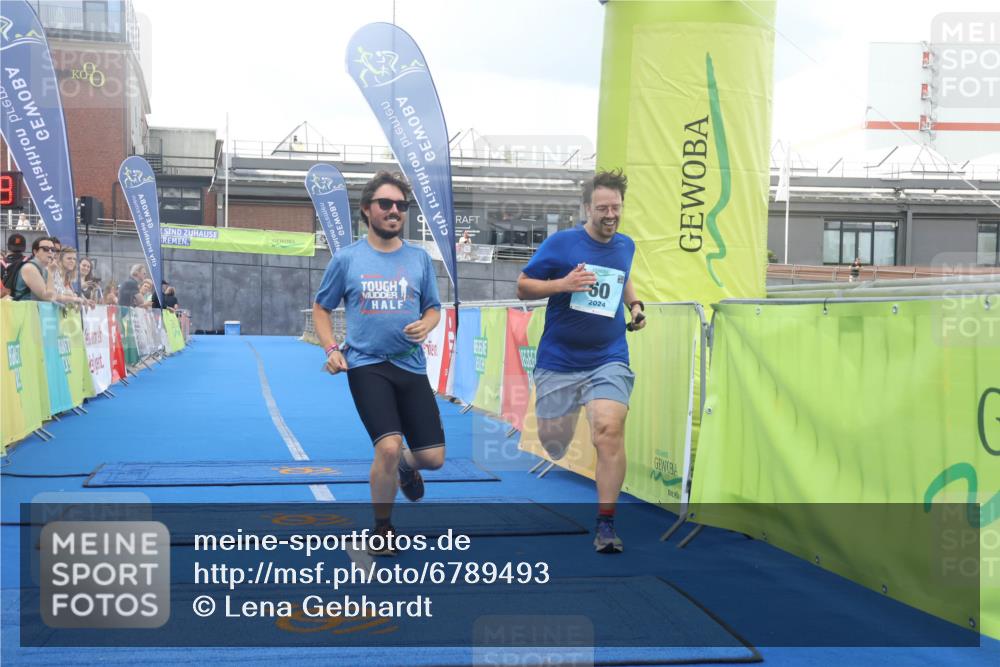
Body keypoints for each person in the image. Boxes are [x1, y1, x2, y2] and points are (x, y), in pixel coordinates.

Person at [312, 170, 445, 556]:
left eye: (401, 205)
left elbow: (433, 308)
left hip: (411, 366)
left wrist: (428, 324)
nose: (394, 211)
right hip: (366, 365)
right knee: (387, 446)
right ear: (366, 209)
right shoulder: (347, 259)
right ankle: (383, 529)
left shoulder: (419, 259)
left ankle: (407, 465)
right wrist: (331, 349)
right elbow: (322, 308)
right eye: (385, 203)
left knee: (433, 458)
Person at [516, 169, 646, 554]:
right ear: (587, 208)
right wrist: (563, 285)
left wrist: (635, 306)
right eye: (602, 208)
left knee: (608, 430)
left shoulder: (625, 245)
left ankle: (606, 523)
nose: (611, 215)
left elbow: (622, 277)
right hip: (559, 360)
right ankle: (567, 412)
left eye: (616, 207)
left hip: (608, 357)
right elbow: (523, 286)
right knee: (555, 444)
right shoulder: (562, 244)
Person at [10, 237, 86, 305]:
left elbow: (55, 294)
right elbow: (48, 296)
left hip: (35, 313)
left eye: (53, 249)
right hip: (26, 313)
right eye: (45, 249)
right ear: (35, 252)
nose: (50, 252)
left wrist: (73, 298)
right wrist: (50, 272)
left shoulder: (44, 268)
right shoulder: (30, 268)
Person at [1, 232, 28, 298]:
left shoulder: (1, 263)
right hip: (23, 300)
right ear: (24, 248)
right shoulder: (29, 262)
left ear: (8, 246)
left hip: (4, 300)